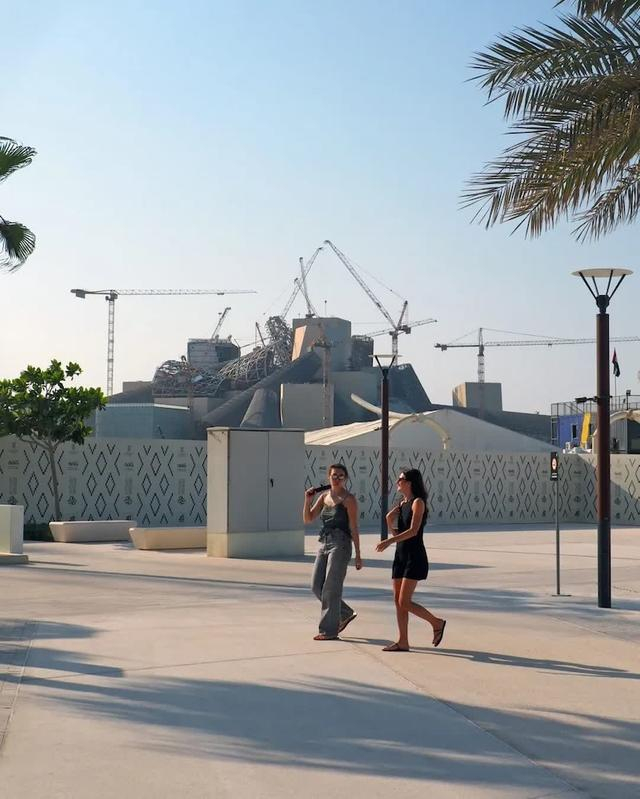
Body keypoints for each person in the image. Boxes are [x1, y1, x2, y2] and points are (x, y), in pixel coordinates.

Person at [376, 468, 446, 652]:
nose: (397, 482)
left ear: (409, 482)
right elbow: (399, 533)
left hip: (414, 556)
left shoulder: (418, 503)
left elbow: (413, 531)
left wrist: (388, 541)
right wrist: (389, 521)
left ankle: (436, 623)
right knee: (397, 600)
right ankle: (403, 641)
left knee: (404, 602)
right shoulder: (402, 503)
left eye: (400, 479)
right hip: (400, 555)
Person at [303, 463, 362, 640]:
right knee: (316, 586)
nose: (337, 478)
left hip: (341, 544)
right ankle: (344, 612)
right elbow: (308, 519)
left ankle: (328, 631)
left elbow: (354, 527)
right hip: (324, 542)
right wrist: (308, 500)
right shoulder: (323, 497)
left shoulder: (349, 499)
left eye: (340, 476)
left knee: (331, 587)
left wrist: (358, 554)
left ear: (346, 478)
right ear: (328, 477)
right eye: (334, 475)